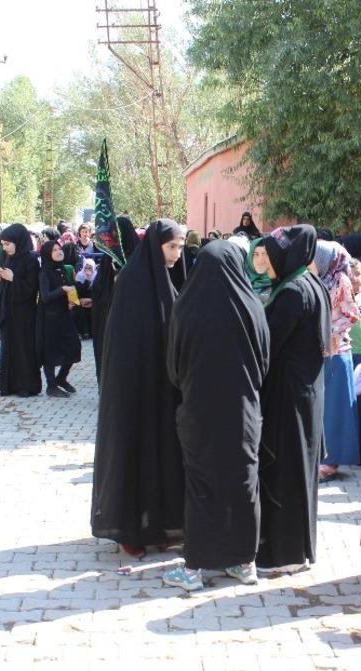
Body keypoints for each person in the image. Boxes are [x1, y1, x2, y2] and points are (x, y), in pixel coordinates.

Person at [162, 239, 269, 591]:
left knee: (202, 486)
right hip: (244, 412)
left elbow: (174, 366)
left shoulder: (186, 306)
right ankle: (243, 562)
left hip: (199, 412)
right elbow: (264, 362)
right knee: (243, 483)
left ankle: (194, 568)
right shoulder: (252, 305)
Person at [91, 219, 186, 559]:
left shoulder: (167, 281)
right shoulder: (133, 282)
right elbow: (123, 344)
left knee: (162, 455)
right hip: (134, 390)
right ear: (155, 246)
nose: (177, 253)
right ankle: (128, 529)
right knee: (134, 454)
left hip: (163, 387)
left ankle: (157, 525)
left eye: (180, 246)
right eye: (171, 246)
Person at [256, 225, 330, 572]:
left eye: (273, 254)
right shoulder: (309, 282)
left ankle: (282, 554)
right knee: (300, 472)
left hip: (288, 397)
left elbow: (268, 344)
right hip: (305, 395)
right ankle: (296, 550)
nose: (268, 261)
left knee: (285, 471)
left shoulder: (293, 292)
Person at [313, 240, 361, 479]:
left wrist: (327, 330)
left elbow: (352, 316)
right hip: (320, 351)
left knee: (333, 409)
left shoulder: (339, 280)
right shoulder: (322, 279)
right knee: (323, 408)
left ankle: (330, 462)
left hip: (337, 352)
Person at [0, 224, 41, 396]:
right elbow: (6, 285)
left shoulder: (30, 259)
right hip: (8, 309)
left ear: (18, 242)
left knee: (23, 348)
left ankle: (26, 386)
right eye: (3, 244)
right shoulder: (8, 258)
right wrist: (1, 277)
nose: (5, 248)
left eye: (7, 244)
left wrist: (13, 278)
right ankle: (9, 385)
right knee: (8, 346)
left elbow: (31, 288)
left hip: (24, 312)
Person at [92, 215, 139, 382]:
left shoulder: (137, 258)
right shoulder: (108, 257)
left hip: (128, 319)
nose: (112, 236)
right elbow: (99, 287)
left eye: (116, 232)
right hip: (106, 315)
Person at [36, 239, 82, 398]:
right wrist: (62, 289)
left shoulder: (64, 269)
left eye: (59, 248)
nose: (58, 252)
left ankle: (61, 378)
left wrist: (75, 301)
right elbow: (45, 297)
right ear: (48, 254)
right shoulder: (44, 272)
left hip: (64, 315)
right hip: (50, 318)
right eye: (54, 250)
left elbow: (71, 289)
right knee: (50, 352)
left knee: (74, 346)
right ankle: (51, 385)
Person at [245, 237, 273, 303]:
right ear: (250, 258)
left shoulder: (278, 286)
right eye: (256, 254)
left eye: (265, 254)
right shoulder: (240, 282)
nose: (260, 260)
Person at [73, 259, 96, 339]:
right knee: (77, 309)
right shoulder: (79, 276)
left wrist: (91, 300)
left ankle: (93, 333)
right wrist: (87, 279)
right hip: (81, 300)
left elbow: (99, 292)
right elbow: (78, 291)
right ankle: (84, 332)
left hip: (93, 301)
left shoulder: (96, 277)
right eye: (86, 268)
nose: (87, 270)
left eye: (90, 268)